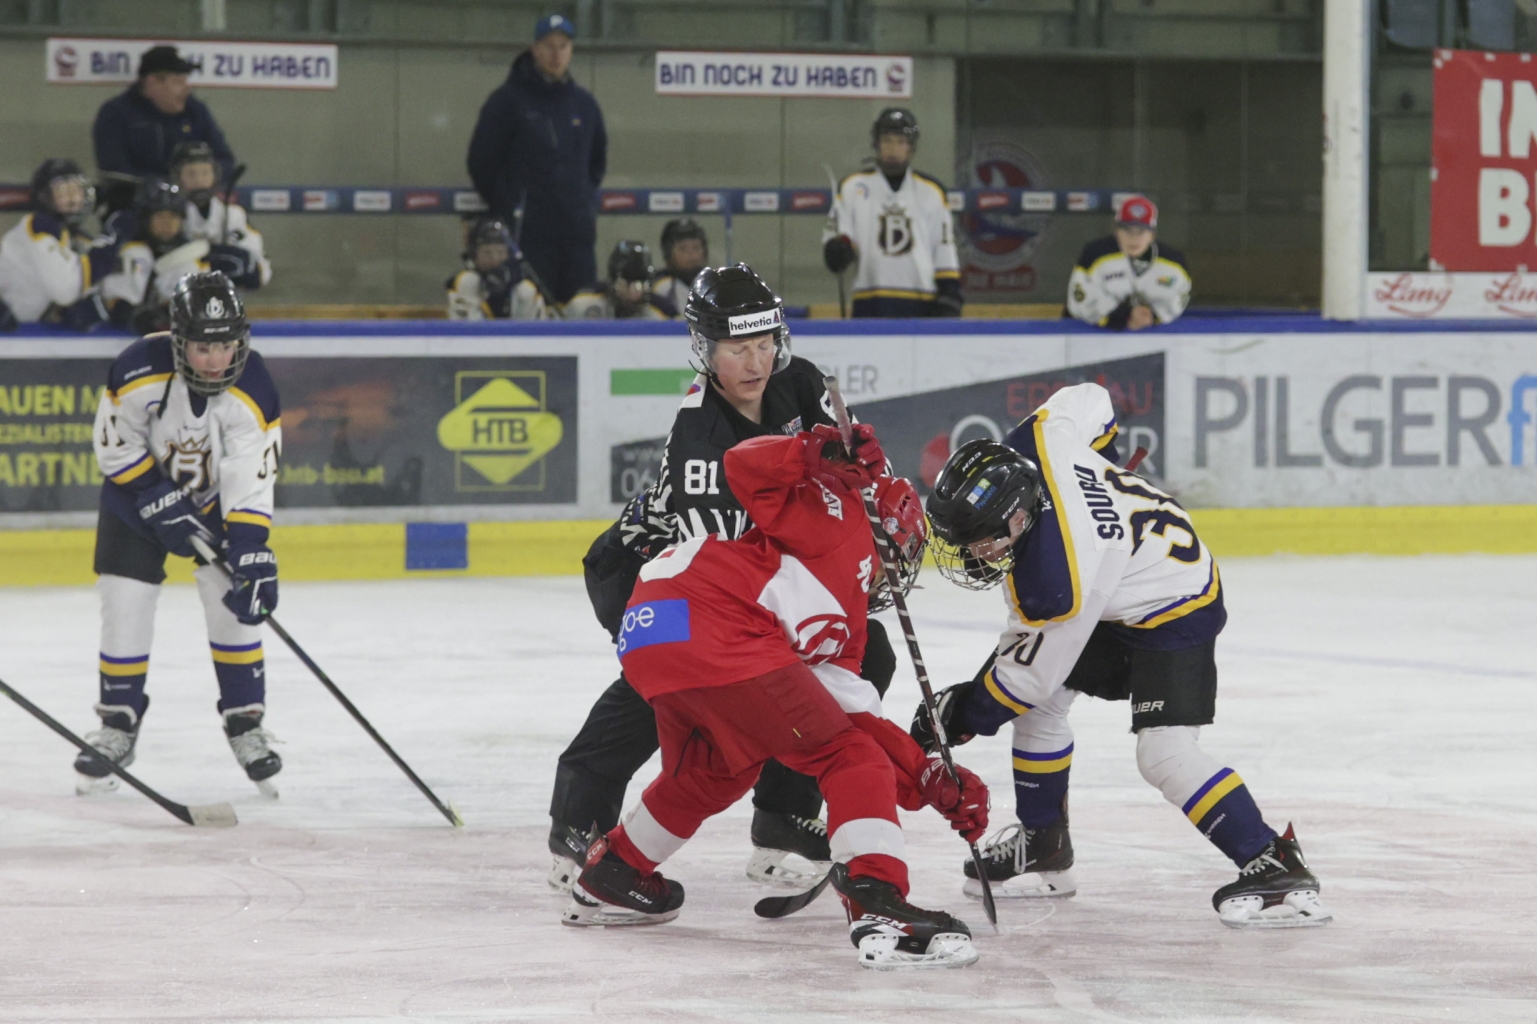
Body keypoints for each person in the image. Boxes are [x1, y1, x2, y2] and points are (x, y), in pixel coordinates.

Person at [564, 423, 989, 971]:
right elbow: (743, 466)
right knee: (846, 757)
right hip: (714, 617)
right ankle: (878, 901)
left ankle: (614, 875)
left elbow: (850, 710)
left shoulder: (847, 614)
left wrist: (928, 778)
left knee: (717, 768)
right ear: (894, 535)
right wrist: (818, 450)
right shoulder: (840, 513)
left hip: (653, 627)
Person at [917, 382, 1332, 930]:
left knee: (1163, 753)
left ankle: (1273, 861)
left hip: (1175, 604)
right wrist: (1101, 470)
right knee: (1044, 708)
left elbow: (1025, 682)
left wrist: (961, 715)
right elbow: (1090, 396)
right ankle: (1045, 844)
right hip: (1121, 583)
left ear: (1019, 520)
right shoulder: (1039, 439)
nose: (971, 553)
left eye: (978, 539)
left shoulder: (1055, 581)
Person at [549, 263, 900, 895]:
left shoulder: (803, 382)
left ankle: (781, 815)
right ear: (705, 350)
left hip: (742, 575)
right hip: (651, 567)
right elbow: (738, 562)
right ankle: (577, 821)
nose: (757, 361)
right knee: (676, 683)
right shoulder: (698, 436)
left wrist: (866, 475)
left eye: (766, 343)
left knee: (864, 654)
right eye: (739, 348)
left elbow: (848, 472)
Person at [76, 271, 284, 799]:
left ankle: (245, 721)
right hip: (135, 504)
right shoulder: (136, 368)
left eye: (225, 345)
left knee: (234, 601)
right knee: (125, 601)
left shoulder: (255, 388)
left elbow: (249, 474)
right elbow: (114, 446)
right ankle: (118, 722)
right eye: (202, 346)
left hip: (214, 504)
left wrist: (251, 548)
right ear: (177, 340)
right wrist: (155, 493)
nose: (215, 359)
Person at [466, 14, 606, 305]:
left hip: (576, 235)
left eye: (563, 46)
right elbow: (481, 161)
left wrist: (581, 201)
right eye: (549, 46)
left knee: (582, 309)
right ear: (535, 49)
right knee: (530, 309)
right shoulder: (507, 101)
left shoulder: (584, 103)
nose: (556, 54)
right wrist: (510, 201)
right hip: (528, 235)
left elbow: (596, 161)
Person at [822, 108, 961, 318]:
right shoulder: (852, 188)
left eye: (901, 141)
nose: (893, 149)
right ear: (876, 144)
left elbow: (944, 252)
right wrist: (838, 252)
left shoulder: (932, 192)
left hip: (922, 302)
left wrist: (949, 296)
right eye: (887, 140)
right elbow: (836, 251)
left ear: (911, 147)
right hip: (869, 302)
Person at [92, 46, 236, 211]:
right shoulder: (115, 113)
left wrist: (206, 179)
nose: (186, 89)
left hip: (193, 206)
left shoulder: (196, 111)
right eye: (178, 82)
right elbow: (114, 169)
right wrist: (170, 185)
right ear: (152, 82)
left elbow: (224, 159)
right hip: (134, 208)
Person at [0, 159, 118, 330]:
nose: (72, 199)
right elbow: (66, 291)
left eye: (76, 190)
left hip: (28, 333)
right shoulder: (38, 226)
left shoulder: (76, 237)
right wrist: (110, 243)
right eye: (62, 192)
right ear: (44, 197)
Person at [94, 180, 210, 336]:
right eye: (160, 216)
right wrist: (133, 316)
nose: (167, 223)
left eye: (173, 216)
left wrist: (168, 316)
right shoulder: (129, 252)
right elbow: (115, 303)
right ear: (145, 219)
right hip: (119, 340)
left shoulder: (192, 255)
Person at [1065, 195, 1191, 330]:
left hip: (1152, 339)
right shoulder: (1095, 254)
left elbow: (1178, 299)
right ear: (1116, 232)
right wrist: (1124, 317)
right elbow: (1081, 300)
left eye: (1141, 231)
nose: (1134, 238)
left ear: (1152, 235)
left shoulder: (1174, 263)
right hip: (1088, 337)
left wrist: (1152, 317)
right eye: (1127, 230)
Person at [168, 142, 271, 290]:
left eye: (205, 173)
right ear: (177, 177)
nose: (198, 180)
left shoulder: (233, 214)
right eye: (191, 174)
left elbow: (255, 268)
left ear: (215, 175)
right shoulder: (168, 215)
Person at [446, 216, 550, 320]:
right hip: (480, 336)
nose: (495, 259)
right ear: (474, 255)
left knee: (525, 290)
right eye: (487, 252)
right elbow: (464, 330)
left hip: (515, 336)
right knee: (468, 280)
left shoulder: (524, 289)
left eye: (500, 252)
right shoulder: (467, 283)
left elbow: (535, 332)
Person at [562, 241, 668, 320]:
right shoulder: (582, 308)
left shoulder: (654, 320)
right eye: (625, 283)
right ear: (611, 281)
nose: (632, 291)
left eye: (639, 284)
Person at [651, 218, 708, 316]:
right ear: (669, 254)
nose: (691, 254)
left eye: (696, 247)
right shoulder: (660, 287)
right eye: (682, 248)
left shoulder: (714, 285)